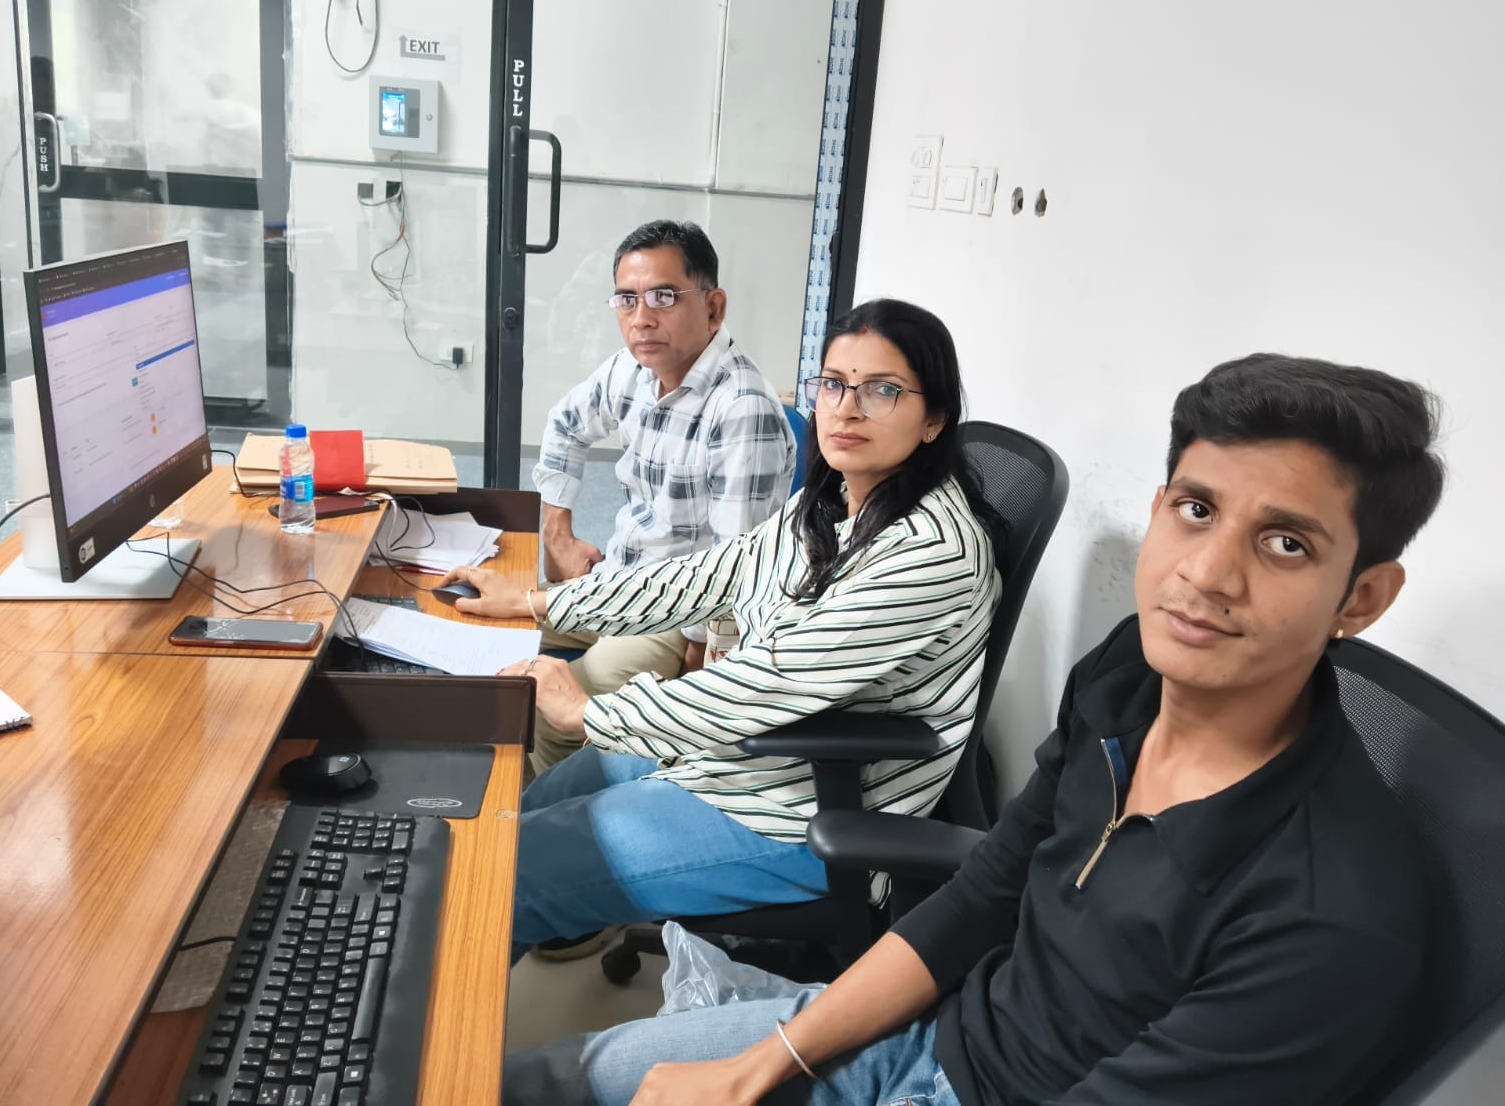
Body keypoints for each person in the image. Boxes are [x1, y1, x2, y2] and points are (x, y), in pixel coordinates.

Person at [500, 352, 1447, 1106]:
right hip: (937, 1033)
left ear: (1362, 597)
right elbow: (987, 892)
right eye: (1197, 511)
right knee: (556, 1079)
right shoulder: (1129, 676)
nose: (1206, 574)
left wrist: (595, 706)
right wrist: (766, 1062)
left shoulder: (1332, 917)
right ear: (1161, 510)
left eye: (1285, 543)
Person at [445, 299, 1003, 963]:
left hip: (796, 814)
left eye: (881, 390)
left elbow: (771, 681)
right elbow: (703, 577)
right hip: (734, 760)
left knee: (504, 872)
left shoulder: (930, 553)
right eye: (833, 384)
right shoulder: (829, 504)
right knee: (514, 816)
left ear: (935, 418)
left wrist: (591, 711)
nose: (846, 409)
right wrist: (537, 601)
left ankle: (457, 1012)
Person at [527, 219, 797, 777]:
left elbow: (734, 570)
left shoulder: (742, 409)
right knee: (490, 627)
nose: (642, 318)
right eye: (627, 299)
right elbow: (564, 425)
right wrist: (558, 536)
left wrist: (699, 663)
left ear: (714, 308)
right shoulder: (634, 367)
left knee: (552, 703)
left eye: (664, 297)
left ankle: (538, 818)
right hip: (618, 580)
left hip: (676, 614)